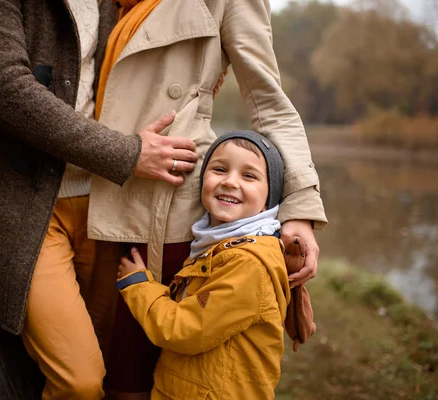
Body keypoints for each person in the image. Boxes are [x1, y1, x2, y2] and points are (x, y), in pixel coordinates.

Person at [0, 1, 200, 399]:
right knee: (80, 380)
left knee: (121, 375)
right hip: (26, 205)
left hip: (107, 206)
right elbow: (1, 87)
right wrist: (127, 153)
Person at [89, 1, 328, 397]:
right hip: (81, 187)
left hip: (161, 209)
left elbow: (269, 102)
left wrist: (299, 207)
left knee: (134, 377)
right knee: (86, 371)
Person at [115, 131, 291, 400]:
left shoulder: (248, 264)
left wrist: (138, 285)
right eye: (219, 169)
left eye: (249, 175)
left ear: (270, 197)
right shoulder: (214, 244)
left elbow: (185, 330)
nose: (230, 182)